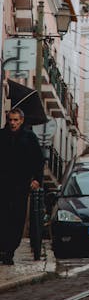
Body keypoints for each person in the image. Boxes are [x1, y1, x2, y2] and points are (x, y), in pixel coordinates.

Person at [0, 108, 44, 265]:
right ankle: (3, 248)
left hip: (21, 185)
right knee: (3, 217)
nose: (13, 123)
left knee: (17, 218)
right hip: (3, 184)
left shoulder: (29, 137)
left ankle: (10, 251)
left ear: (21, 121)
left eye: (16, 120)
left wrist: (37, 179)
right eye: (10, 120)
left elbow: (39, 160)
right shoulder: (2, 135)